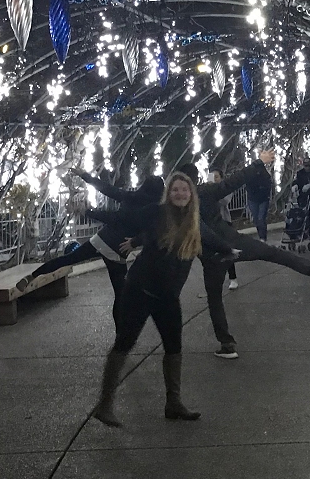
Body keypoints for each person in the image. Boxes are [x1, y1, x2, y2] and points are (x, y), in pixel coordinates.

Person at [91, 172, 238, 427]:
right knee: (124, 343)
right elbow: (123, 217)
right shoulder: (156, 213)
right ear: (169, 194)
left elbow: (213, 239)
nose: (180, 194)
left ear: (191, 194)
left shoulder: (194, 222)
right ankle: (104, 405)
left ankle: (174, 403)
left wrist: (231, 250)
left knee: (174, 347)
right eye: (175, 190)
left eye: (184, 190)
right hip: (139, 291)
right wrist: (88, 210)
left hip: (167, 297)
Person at [178, 153, 310, 360]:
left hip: (211, 258)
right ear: (195, 178)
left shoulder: (177, 208)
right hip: (232, 244)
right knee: (272, 253)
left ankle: (227, 344)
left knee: (215, 300)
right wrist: (259, 163)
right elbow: (232, 183)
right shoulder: (204, 192)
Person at [16, 172, 163, 330]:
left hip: (101, 240)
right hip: (117, 250)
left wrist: (86, 178)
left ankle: (32, 275)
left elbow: (107, 189)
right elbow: (153, 231)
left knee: (68, 259)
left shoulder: (129, 197)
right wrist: (136, 242)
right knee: (120, 296)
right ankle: (120, 336)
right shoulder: (153, 209)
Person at [210, 169, 240, 289]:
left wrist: (213, 192)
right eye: (212, 176)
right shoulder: (207, 190)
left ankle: (233, 278)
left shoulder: (225, 189)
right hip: (211, 223)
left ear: (221, 178)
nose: (214, 179)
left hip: (224, 222)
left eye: (216, 177)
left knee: (227, 250)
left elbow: (224, 201)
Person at [243, 159, 273, 240]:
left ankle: (263, 238)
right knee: (256, 219)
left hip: (263, 199)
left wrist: (265, 193)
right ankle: (261, 236)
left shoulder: (266, 175)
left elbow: (268, 186)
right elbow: (248, 187)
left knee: (261, 218)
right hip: (253, 199)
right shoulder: (250, 175)